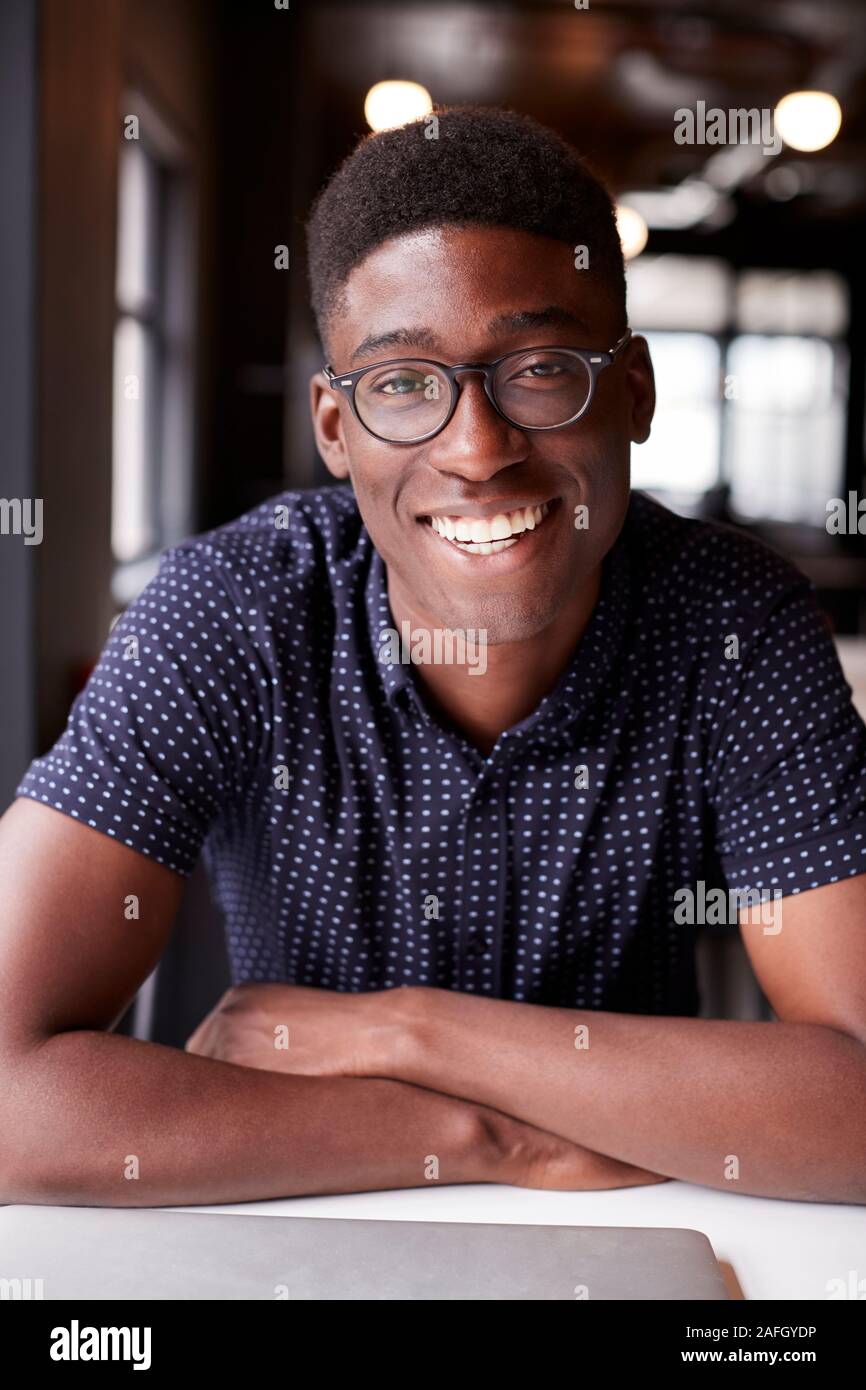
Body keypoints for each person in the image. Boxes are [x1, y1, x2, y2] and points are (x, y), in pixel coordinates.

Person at [2, 107, 865, 1208]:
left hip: (620, 1241)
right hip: (295, 1216)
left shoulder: (731, 621)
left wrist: (408, 1030)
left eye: (541, 368)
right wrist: (489, 1141)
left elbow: (851, 1097)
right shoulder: (235, 608)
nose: (476, 449)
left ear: (634, 390)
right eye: (403, 383)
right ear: (332, 425)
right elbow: (7, 1105)